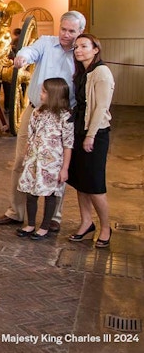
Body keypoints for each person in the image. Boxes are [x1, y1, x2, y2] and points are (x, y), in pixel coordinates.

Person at [0, 10, 86, 230]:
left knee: (58, 167)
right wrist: (23, 57)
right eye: (63, 29)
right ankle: (16, 212)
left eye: (72, 31)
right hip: (35, 112)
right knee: (20, 162)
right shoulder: (46, 42)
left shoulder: (80, 52)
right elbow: (30, 50)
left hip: (63, 115)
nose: (66, 34)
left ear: (80, 31)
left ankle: (53, 217)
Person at [66, 34, 114, 248]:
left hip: (95, 132)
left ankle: (105, 227)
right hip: (78, 130)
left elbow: (101, 107)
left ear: (96, 49)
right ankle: (86, 222)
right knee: (81, 181)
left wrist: (91, 135)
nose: (78, 50)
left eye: (84, 46)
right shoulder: (83, 72)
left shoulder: (101, 72)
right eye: (76, 47)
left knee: (95, 184)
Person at [15, 78, 73, 240]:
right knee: (31, 194)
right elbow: (31, 137)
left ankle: (45, 226)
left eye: (43, 92)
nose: (40, 94)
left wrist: (65, 168)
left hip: (52, 164)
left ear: (53, 95)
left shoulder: (65, 117)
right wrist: (25, 158)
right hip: (34, 161)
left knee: (50, 195)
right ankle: (31, 224)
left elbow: (68, 144)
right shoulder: (37, 112)